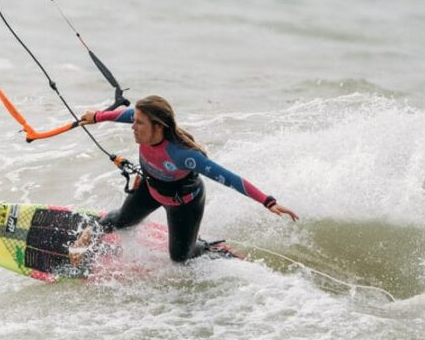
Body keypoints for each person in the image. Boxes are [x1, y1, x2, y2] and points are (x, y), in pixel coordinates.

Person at [76, 95, 298, 262]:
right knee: (122, 220)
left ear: (158, 126)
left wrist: (268, 202)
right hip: (151, 187)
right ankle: (86, 237)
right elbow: (125, 115)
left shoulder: (184, 155)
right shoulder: (145, 127)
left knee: (180, 258)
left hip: (184, 204)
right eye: (135, 121)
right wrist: (97, 116)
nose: (133, 126)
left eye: (139, 122)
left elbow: (230, 179)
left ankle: (211, 249)